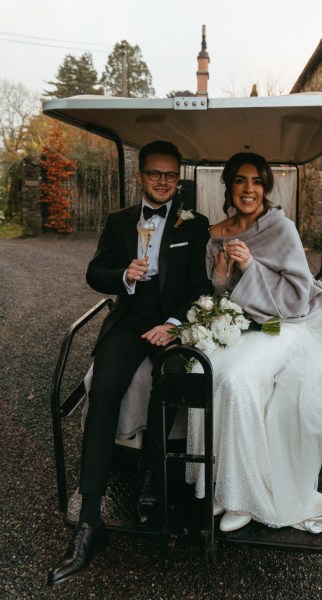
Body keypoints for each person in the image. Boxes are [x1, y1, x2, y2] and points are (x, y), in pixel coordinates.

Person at [48, 140, 212, 585]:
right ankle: (89, 522)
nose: (163, 182)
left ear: (178, 179)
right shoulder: (119, 222)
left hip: (169, 324)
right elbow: (94, 273)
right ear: (139, 176)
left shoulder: (193, 225)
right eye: (155, 174)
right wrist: (123, 276)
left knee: (170, 384)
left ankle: (153, 487)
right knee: (102, 391)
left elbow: (201, 287)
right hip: (128, 321)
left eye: (171, 175)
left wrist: (175, 324)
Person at [186, 152, 322, 533]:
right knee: (203, 371)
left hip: (285, 324)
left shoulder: (280, 228)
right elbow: (221, 294)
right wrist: (222, 275)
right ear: (229, 186)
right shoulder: (216, 234)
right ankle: (219, 483)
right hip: (240, 324)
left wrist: (253, 266)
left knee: (238, 380)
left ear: (266, 188)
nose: (248, 189)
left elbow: (297, 295)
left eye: (257, 182)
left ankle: (245, 497)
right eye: (240, 180)